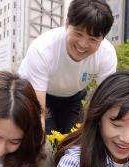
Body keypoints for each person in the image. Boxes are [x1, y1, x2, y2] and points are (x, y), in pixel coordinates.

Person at [19, 0, 116, 134]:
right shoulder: (42, 50)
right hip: (38, 93)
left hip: (72, 97)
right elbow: (38, 113)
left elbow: (107, 102)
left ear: (103, 38)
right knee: (46, 137)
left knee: (75, 140)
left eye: (92, 39)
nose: (82, 44)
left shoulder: (107, 54)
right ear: (66, 24)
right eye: (78, 33)